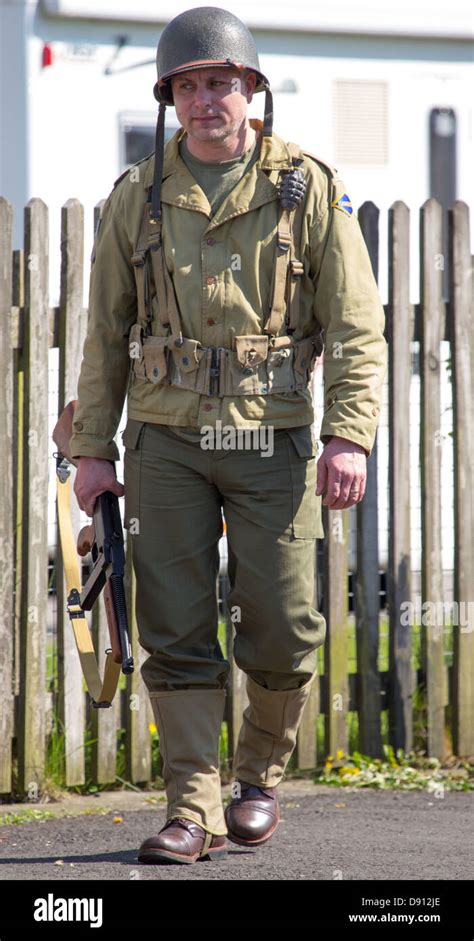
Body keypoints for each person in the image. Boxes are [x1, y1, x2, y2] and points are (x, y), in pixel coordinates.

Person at [70, 6, 387, 865]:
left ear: (252, 91)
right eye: (188, 85)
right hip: (166, 440)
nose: (205, 99)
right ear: (170, 98)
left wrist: (348, 436)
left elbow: (357, 325)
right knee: (172, 623)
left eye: (221, 82)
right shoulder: (138, 196)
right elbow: (103, 331)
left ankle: (257, 776)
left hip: (272, 436)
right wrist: (91, 449)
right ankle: (191, 808)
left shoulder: (307, 186)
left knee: (285, 622)